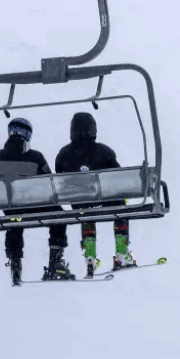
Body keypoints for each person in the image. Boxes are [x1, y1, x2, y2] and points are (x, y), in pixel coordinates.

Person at [0, 117, 75, 286]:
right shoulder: (35, 157)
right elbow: (50, 182)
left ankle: (15, 267)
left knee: (14, 223)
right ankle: (55, 263)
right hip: (35, 206)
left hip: (12, 208)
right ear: (27, 135)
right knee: (59, 217)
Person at [55, 112, 137, 277]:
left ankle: (90, 258)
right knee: (120, 206)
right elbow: (118, 177)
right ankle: (122, 254)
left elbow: (59, 178)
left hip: (80, 203)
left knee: (85, 213)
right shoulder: (104, 152)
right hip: (106, 202)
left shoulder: (64, 154)